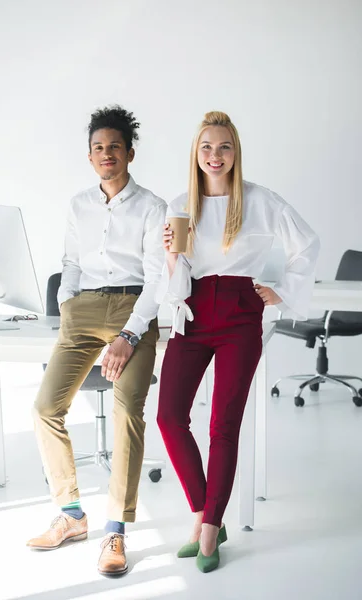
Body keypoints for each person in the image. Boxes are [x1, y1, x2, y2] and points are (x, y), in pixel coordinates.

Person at [156, 111, 320, 573]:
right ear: (196, 152)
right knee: (170, 417)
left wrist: (281, 290)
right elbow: (178, 282)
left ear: (236, 153)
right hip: (193, 311)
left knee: (222, 426)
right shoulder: (180, 205)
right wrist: (171, 254)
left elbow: (306, 244)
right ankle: (201, 511)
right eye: (206, 147)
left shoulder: (259, 201)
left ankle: (209, 531)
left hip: (238, 315)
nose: (215, 156)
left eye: (224, 147)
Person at [27, 105, 166, 577]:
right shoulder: (78, 205)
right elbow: (69, 261)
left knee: (128, 407)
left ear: (130, 152)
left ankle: (115, 529)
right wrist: (67, 303)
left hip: (133, 308)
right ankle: (71, 515)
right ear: (90, 157)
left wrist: (129, 333)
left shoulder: (152, 207)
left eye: (114, 146)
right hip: (82, 309)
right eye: (98, 148)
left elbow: (157, 280)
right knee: (46, 407)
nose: (106, 154)